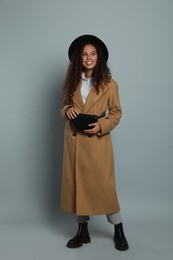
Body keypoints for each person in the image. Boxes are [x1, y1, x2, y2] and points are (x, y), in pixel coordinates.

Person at [60, 34, 129, 250]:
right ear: (78, 58)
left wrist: (101, 126)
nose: (88, 58)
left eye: (92, 54)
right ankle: (82, 231)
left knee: (105, 187)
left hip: (97, 142)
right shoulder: (72, 81)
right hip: (74, 141)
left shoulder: (110, 84)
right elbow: (63, 106)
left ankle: (118, 230)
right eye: (84, 54)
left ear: (99, 58)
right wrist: (67, 110)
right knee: (78, 186)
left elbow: (116, 113)